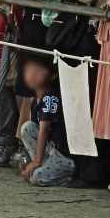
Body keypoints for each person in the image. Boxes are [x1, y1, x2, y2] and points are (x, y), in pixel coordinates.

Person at [19, 55, 75, 187]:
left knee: (36, 177)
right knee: (27, 127)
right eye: (29, 70)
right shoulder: (35, 98)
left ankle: (68, 176)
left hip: (62, 155)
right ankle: (42, 164)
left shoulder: (50, 97)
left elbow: (44, 129)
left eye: (38, 70)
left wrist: (37, 161)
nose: (32, 74)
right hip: (50, 150)